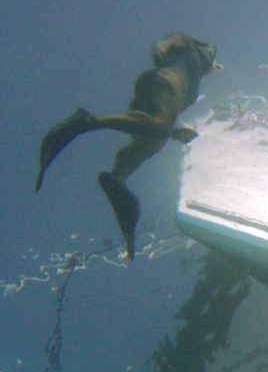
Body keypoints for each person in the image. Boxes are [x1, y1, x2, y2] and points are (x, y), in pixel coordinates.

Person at [35, 32, 220, 259]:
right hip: (162, 81)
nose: (211, 56)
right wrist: (162, 46)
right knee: (159, 130)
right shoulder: (188, 49)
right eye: (209, 51)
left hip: (157, 93)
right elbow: (174, 40)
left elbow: (162, 114)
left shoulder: (194, 79)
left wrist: (175, 132)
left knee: (151, 143)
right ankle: (89, 121)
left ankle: (118, 178)